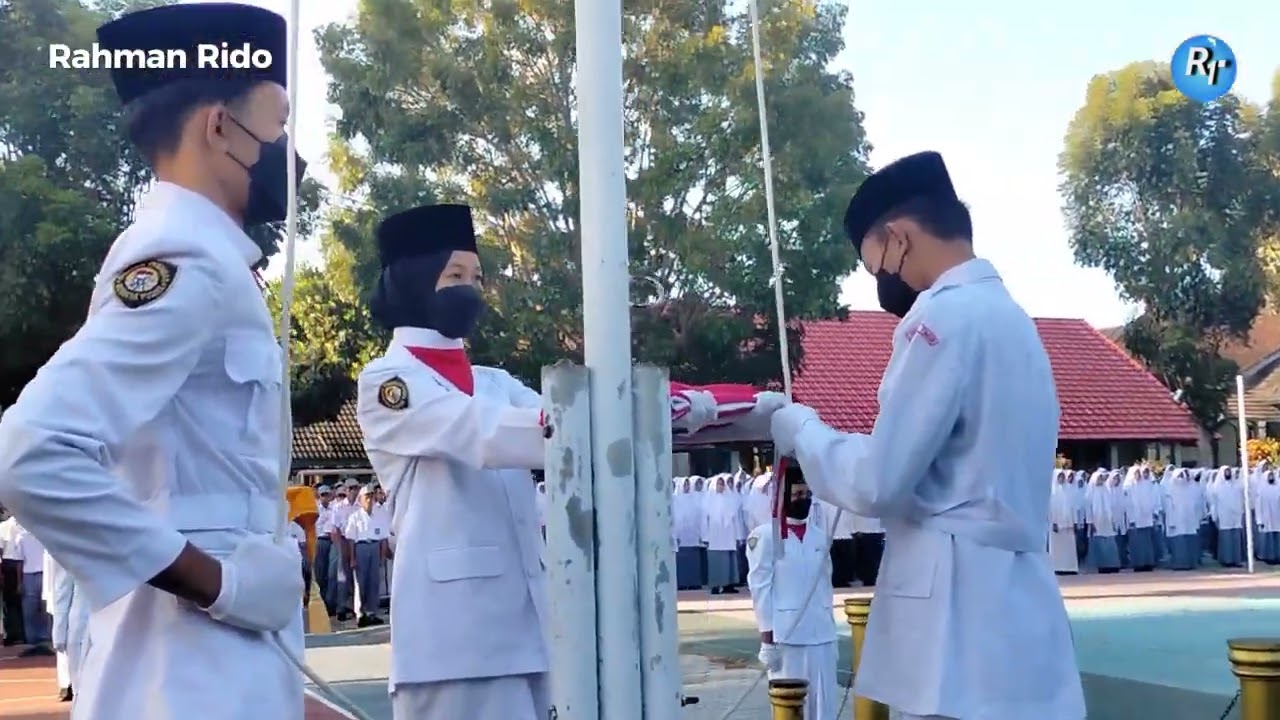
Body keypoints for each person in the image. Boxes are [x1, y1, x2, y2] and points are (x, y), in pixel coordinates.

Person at [0, 4, 307, 718]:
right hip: (188, 673)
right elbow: (29, 454)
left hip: (203, 667)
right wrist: (218, 583)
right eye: (277, 118)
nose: (286, 148)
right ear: (220, 125)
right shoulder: (185, 257)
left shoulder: (203, 255)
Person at [769, 151, 1085, 720]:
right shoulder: (1012, 319)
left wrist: (804, 430)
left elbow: (879, 482)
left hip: (956, 620)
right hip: (1018, 607)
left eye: (874, 263)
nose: (881, 281)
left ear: (899, 238)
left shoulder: (941, 318)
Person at [356, 203, 553, 720]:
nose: (471, 289)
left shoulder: (494, 381)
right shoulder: (388, 382)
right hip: (453, 643)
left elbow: (560, 417)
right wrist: (581, 422)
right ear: (417, 281)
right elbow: (486, 435)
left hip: (531, 628)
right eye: (455, 275)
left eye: (477, 277)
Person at [746, 460, 838, 720]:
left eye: (807, 495)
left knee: (824, 705)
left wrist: (830, 628)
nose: (803, 499)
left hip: (821, 633)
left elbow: (825, 586)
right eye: (797, 494)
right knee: (792, 707)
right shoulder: (765, 537)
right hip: (787, 637)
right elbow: (760, 588)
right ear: (784, 497)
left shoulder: (820, 537)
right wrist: (767, 638)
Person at [342, 485, 389, 627]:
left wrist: (382, 556)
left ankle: (372, 613)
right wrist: (352, 558)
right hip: (361, 547)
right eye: (366, 497)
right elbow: (350, 540)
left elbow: (383, 538)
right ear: (361, 499)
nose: (369, 499)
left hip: (374, 547)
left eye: (371, 496)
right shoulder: (355, 517)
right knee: (360, 582)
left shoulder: (379, 516)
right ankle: (360, 613)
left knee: (374, 582)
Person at [0, 514, 25, 646]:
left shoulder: (6, 526)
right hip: (11, 565)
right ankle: (15, 633)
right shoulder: (4, 527)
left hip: (17, 564)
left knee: (14, 602)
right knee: (12, 602)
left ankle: (16, 633)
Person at [313, 485, 338, 616]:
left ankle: (330, 603)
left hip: (332, 541)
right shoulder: (315, 508)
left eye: (327, 495)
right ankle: (321, 603)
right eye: (322, 495)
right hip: (320, 540)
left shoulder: (334, 508)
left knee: (332, 573)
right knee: (320, 574)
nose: (325, 498)